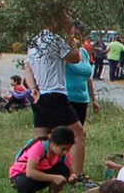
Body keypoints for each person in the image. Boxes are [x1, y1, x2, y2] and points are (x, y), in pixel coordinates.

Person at [26, 13, 85, 175]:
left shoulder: (34, 42)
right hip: (55, 93)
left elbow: (28, 69)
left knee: (42, 139)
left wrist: (33, 88)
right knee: (78, 135)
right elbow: (75, 58)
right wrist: (72, 40)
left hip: (38, 95)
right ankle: (77, 175)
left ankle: (37, 171)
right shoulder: (55, 40)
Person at [65, 24, 100, 175]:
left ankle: (74, 166)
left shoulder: (84, 53)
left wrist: (94, 99)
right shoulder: (66, 54)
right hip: (68, 97)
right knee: (73, 134)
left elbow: (89, 78)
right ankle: (69, 168)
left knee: (77, 136)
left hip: (82, 99)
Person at [9, 125, 77, 193]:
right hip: (22, 174)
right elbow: (30, 172)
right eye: (63, 149)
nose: (65, 152)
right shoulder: (39, 147)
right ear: (54, 144)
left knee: (64, 169)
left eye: (68, 149)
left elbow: (71, 172)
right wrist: (54, 178)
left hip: (40, 173)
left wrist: (72, 178)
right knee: (27, 186)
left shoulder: (64, 154)